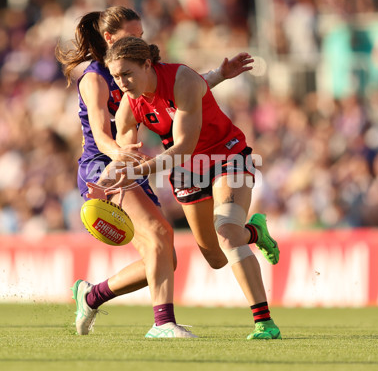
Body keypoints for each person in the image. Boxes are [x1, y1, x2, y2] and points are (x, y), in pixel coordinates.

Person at [55, 6, 255, 338]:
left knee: (163, 256)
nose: (141, 41)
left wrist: (218, 76)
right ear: (110, 38)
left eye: (142, 35)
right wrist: (119, 155)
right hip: (104, 165)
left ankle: (91, 296)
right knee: (161, 237)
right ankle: (162, 324)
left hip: (132, 162)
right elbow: (102, 134)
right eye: (133, 35)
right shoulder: (95, 78)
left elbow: (174, 92)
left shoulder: (138, 66)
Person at [103, 36, 281, 340]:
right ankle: (255, 232)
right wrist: (112, 175)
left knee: (226, 232)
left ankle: (264, 323)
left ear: (147, 64)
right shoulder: (128, 106)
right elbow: (124, 150)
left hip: (225, 154)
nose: (122, 82)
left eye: (127, 73)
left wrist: (140, 169)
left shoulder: (181, 78)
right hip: (186, 173)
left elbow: (183, 147)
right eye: (116, 76)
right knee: (215, 257)